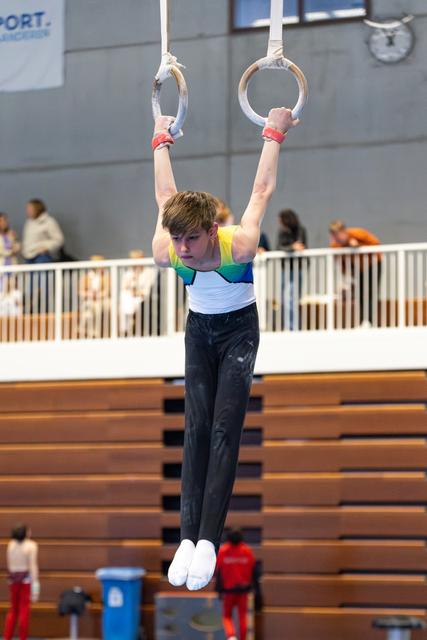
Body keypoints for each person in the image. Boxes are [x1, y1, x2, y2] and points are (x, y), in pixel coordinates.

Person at [152, 106, 299, 591]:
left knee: (222, 430)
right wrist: (160, 139)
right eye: (177, 239)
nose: (183, 249)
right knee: (194, 429)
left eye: (191, 238)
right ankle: (186, 539)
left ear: (211, 230)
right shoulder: (168, 249)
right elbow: (165, 196)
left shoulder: (240, 245)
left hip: (239, 332)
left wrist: (273, 133)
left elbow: (261, 191)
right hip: (199, 331)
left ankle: (209, 542)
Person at [329, 219, 381, 327]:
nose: (337, 238)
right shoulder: (335, 245)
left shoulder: (358, 233)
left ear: (344, 231)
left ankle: (370, 320)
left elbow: (376, 244)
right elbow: (340, 261)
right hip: (357, 269)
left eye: (338, 235)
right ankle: (364, 321)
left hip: (373, 264)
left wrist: (359, 246)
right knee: (360, 293)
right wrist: (348, 274)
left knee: (371, 292)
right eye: (334, 236)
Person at [216, 529, 261, 640]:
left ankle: (231, 636)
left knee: (226, 616)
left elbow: (218, 572)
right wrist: (256, 589)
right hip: (243, 591)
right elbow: (254, 572)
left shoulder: (223, 551)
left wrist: (219, 590)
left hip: (228, 591)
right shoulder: (247, 551)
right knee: (242, 616)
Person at [3, 524, 39, 640]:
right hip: (25, 581)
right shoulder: (31, 546)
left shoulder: (11, 545)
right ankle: (22, 638)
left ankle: (7, 637)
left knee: (13, 610)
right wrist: (36, 585)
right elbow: (33, 566)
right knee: (24, 611)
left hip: (13, 580)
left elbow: (10, 565)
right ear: (26, 533)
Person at [277, 209, 307, 330]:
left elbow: (302, 245)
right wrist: (292, 247)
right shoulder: (282, 231)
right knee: (286, 298)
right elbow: (279, 246)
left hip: (297, 268)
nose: (279, 222)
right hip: (286, 269)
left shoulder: (300, 229)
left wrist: (293, 247)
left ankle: (294, 327)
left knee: (294, 298)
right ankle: (289, 326)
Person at [119, 250, 157, 336]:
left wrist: (136, 292)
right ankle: (125, 330)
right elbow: (124, 289)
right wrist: (132, 280)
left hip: (143, 298)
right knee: (124, 299)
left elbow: (147, 291)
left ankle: (137, 329)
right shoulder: (128, 274)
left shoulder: (149, 272)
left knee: (136, 303)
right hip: (130, 298)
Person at [21, 199, 64, 264]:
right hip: (29, 257)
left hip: (42, 257)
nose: (27, 211)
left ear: (37, 208)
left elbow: (58, 240)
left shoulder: (48, 221)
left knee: (42, 274)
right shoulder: (29, 222)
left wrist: (46, 247)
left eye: (30, 208)